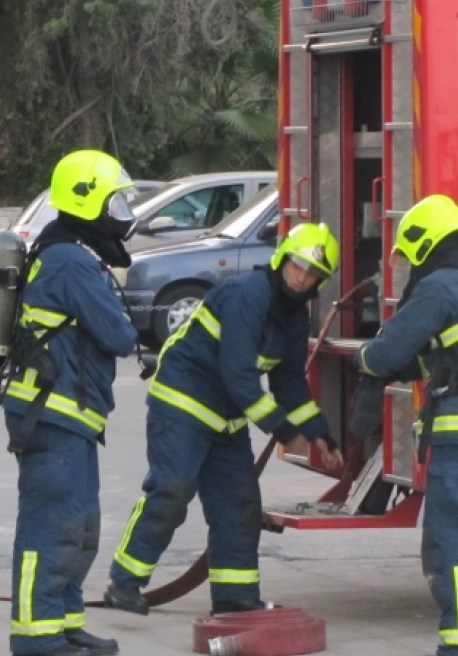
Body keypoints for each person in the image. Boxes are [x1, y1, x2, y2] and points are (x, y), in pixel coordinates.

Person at [103, 222, 344, 617]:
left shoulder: (295, 316)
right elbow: (239, 373)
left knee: (238, 505)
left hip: (227, 417)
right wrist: (282, 430)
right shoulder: (248, 295)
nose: (302, 277)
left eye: (312, 273)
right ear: (283, 258)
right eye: (298, 265)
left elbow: (289, 383)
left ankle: (234, 598)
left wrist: (320, 433)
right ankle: (124, 583)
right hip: (183, 403)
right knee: (172, 490)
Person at [353, 194, 458, 656]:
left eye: (411, 258)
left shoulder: (443, 286)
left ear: (425, 241)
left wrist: (362, 357)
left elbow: (385, 354)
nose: (410, 270)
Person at [1, 150, 139, 656]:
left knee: (79, 526)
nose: (122, 213)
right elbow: (119, 335)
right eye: (115, 201)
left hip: (70, 416)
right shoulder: (69, 261)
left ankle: (64, 625)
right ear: (87, 202)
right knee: (51, 527)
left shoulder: (70, 251)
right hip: (52, 414)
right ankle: (36, 640)